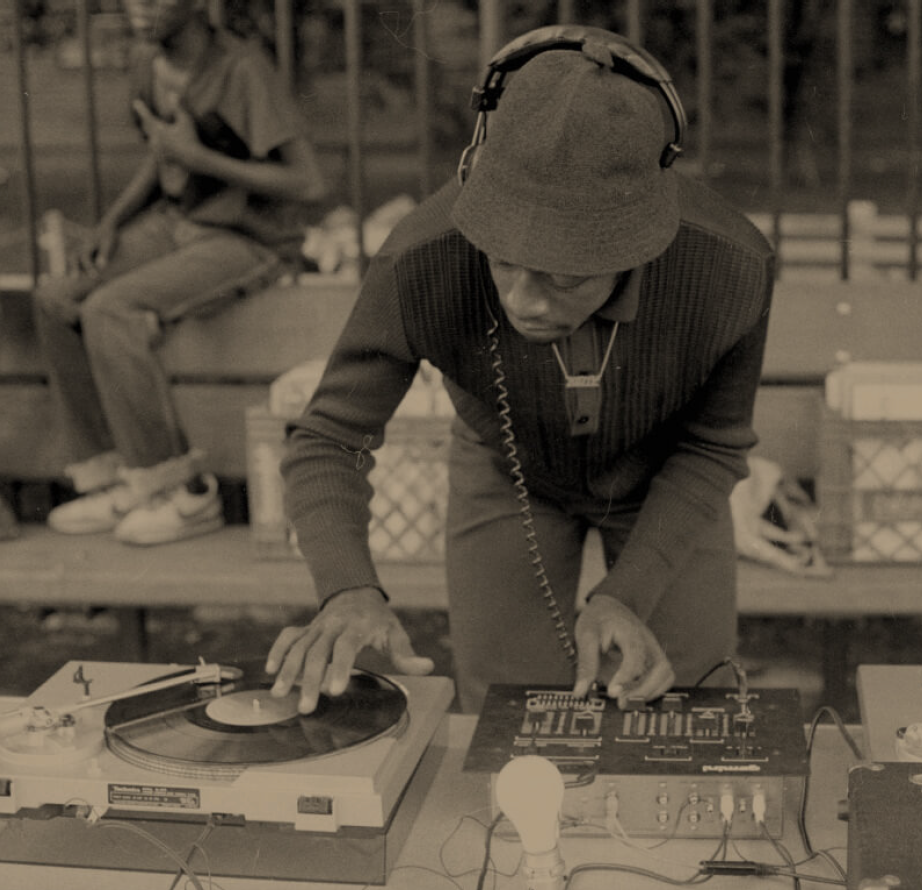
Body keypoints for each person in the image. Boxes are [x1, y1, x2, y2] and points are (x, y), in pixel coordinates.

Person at [264, 27, 775, 715]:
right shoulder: (421, 257)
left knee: (685, 706)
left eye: (566, 277)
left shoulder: (731, 266)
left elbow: (714, 445)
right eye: (504, 261)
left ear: (636, 244)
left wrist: (627, 594)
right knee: (508, 717)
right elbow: (328, 437)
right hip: (506, 474)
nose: (524, 301)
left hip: (669, 480)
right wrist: (347, 587)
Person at [32, 0, 326, 546]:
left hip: (247, 237)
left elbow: (309, 183)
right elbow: (164, 153)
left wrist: (197, 157)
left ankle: (183, 492)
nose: (138, 8)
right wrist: (111, 224)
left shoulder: (241, 68)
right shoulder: (148, 61)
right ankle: (114, 477)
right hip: (178, 222)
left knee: (111, 308)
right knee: (56, 298)